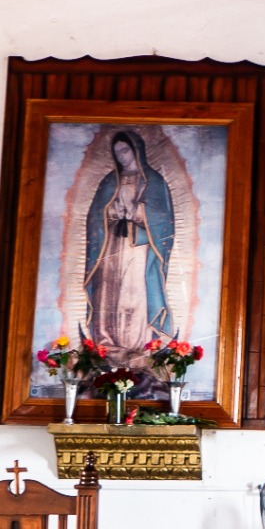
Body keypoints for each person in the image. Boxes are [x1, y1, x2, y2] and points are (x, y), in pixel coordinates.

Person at [83, 130, 177, 359]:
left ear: (136, 150)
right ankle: (107, 345)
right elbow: (95, 215)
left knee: (133, 294)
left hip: (138, 249)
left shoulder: (153, 181)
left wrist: (136, 211)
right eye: (117, 153)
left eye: (125, 150)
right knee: (109, 292)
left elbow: (164, 219)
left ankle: (137, 346)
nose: (122, 157)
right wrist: (112, 211)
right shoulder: (110, 181)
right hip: (112, 247)